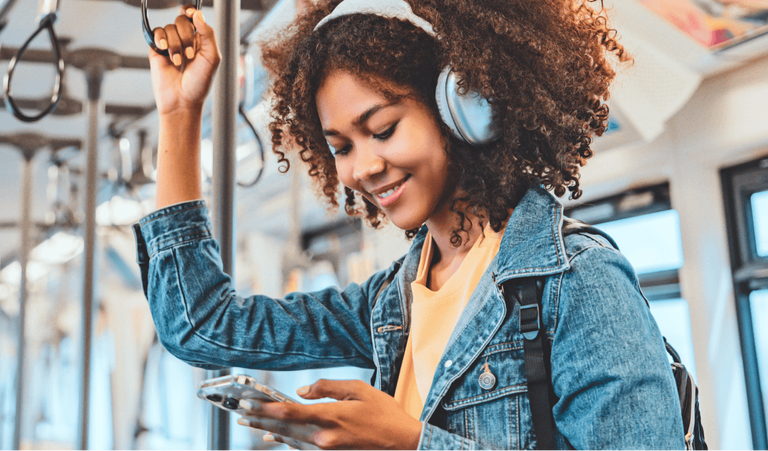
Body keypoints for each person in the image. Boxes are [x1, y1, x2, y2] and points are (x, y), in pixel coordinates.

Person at [134, 0, 685, 449]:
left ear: (462, 104)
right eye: (341, 147)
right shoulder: (393, 301)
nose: (363, 167)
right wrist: (179, 115)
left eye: (383, 128)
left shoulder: (579, 282)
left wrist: (411, 444)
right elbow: (199, 325)